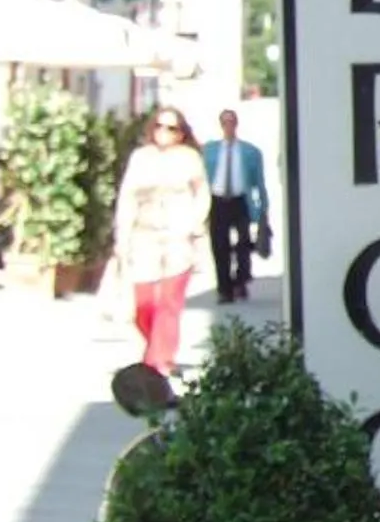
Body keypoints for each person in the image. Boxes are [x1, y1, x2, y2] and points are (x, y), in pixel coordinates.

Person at [110, 106, 210, 414]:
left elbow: (202, 191)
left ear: (182, 132)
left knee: (169, 303)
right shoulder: (141, 158)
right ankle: (157, 352)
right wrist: (121, 236)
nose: (166, 133)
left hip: (177, 236)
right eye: (161, 127)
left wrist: (195, 223)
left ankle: (157, 362)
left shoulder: (189, 158)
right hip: (145, 235)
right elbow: (127, 196)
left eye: (173, 128)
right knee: (144, 305)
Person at [203, 107, 269, 301]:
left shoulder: (250, 151)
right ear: (220, 125)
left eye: (231, 122)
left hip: (241, 200)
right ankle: (224, 289)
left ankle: (240, 281)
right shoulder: (210, 150)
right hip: (217, 201)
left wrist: (263, 208)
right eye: (225, 122)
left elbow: (259, 182)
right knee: (219, 245)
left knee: (243, 245)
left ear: (236, 124)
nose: (228, 126)